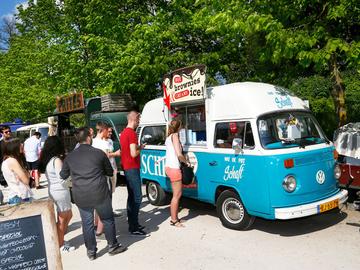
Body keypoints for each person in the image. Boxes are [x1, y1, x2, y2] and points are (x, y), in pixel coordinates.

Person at [60, 127, 127, 260]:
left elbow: (63, 175)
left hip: (81, 194)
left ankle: (91, 252)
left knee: (87, 223)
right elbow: (109, 172)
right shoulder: (99, 153)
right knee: (107, 219)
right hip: (100, 192)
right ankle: (112, 246)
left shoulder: (70, 156)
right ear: (88, 138)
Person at [38, 136, 74, 252]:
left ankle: (60, 240)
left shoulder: (48, 160)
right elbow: (62, 179)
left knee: (66, 216)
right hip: (61, 191)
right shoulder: (56, 160)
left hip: (55, 190)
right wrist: (73, 182)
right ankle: (60, 243)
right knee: (63, 218)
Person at [120, 111, 147, 236]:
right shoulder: (132, 133)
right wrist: (140, 148)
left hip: (126, 168)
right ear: (134, 119)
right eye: (138, 120)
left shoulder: (123, 133)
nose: (139, 123)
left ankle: (132, 223)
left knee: (131, 197)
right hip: (132, 168)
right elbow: (133, 153)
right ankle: (134, 226)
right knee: (137, 197)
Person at [165, 119, 190, 227]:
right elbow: (179, 154)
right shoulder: (175, 136)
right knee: (177, 195)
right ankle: (174, 220)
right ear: (179, 127)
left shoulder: (168, 137)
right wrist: (187, 162)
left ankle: (175, 218)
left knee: (176, 195)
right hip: (174, 168)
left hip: (169, 167)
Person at [1, 138, 33, 205]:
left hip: (17, 195)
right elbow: (26, 180)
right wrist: (24, 169)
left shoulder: (7, 161)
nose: (22, 145)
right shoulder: (13, 161)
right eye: (20, 145)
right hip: (20, 196)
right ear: (14, 147)